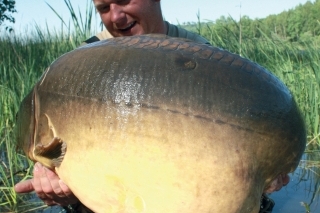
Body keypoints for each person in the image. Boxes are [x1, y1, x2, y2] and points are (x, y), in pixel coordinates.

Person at [14, 0, 290, 211]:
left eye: (123, 0)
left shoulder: (205, 57)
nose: (116, 16)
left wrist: (267, 171)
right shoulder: (81, 61)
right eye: (104, 7)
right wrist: (52, 174)